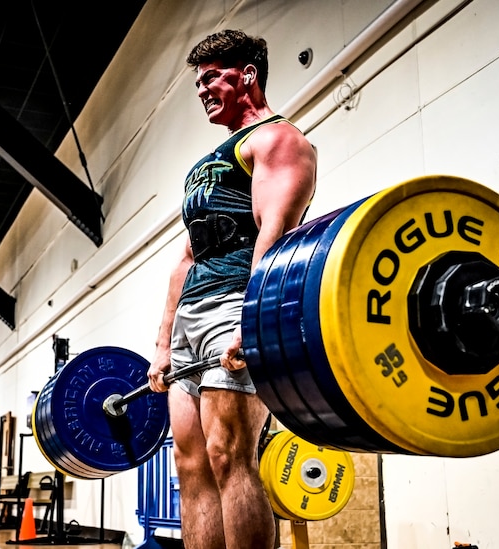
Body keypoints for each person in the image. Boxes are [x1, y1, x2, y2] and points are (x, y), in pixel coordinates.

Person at [147, 29, 317, 549]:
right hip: (191, 319)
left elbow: (275, 231)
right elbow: (187, 255)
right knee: (191, 464)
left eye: (211, 77)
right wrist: (161, 344)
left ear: (247, 75)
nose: (201, 90)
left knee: (229, 454)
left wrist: (255, 316)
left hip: (234, 306)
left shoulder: (278, 140)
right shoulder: (210, 162)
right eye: (197, 82)